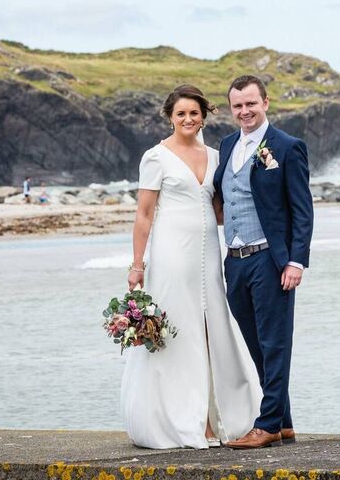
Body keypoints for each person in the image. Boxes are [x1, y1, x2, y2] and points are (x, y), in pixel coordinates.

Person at [121, 84, 262, 449]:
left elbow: (219, 210)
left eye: (194, 113)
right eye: (181, 113)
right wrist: (137, 265)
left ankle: (215, 417)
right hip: (171, 254)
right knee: (177, 330)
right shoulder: (156, 157)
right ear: (171, 116)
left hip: (209, 256)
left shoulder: (216, 156)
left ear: (204, 116)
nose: (188, 119)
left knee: (210, 327)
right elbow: (144, 214)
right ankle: (189, 421)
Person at [214, 74, 314, 449]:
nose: (245, 111)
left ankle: (267, 423)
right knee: (255, 344)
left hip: (270, 260)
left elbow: (302, 211)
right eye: (238, 105)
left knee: (275, 343)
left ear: (266, 103)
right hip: (235, 260)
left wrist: (295, 262)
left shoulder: (287, 147)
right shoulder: (226, 146)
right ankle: (284, 420)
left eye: (251, 104)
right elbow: (223, 195)